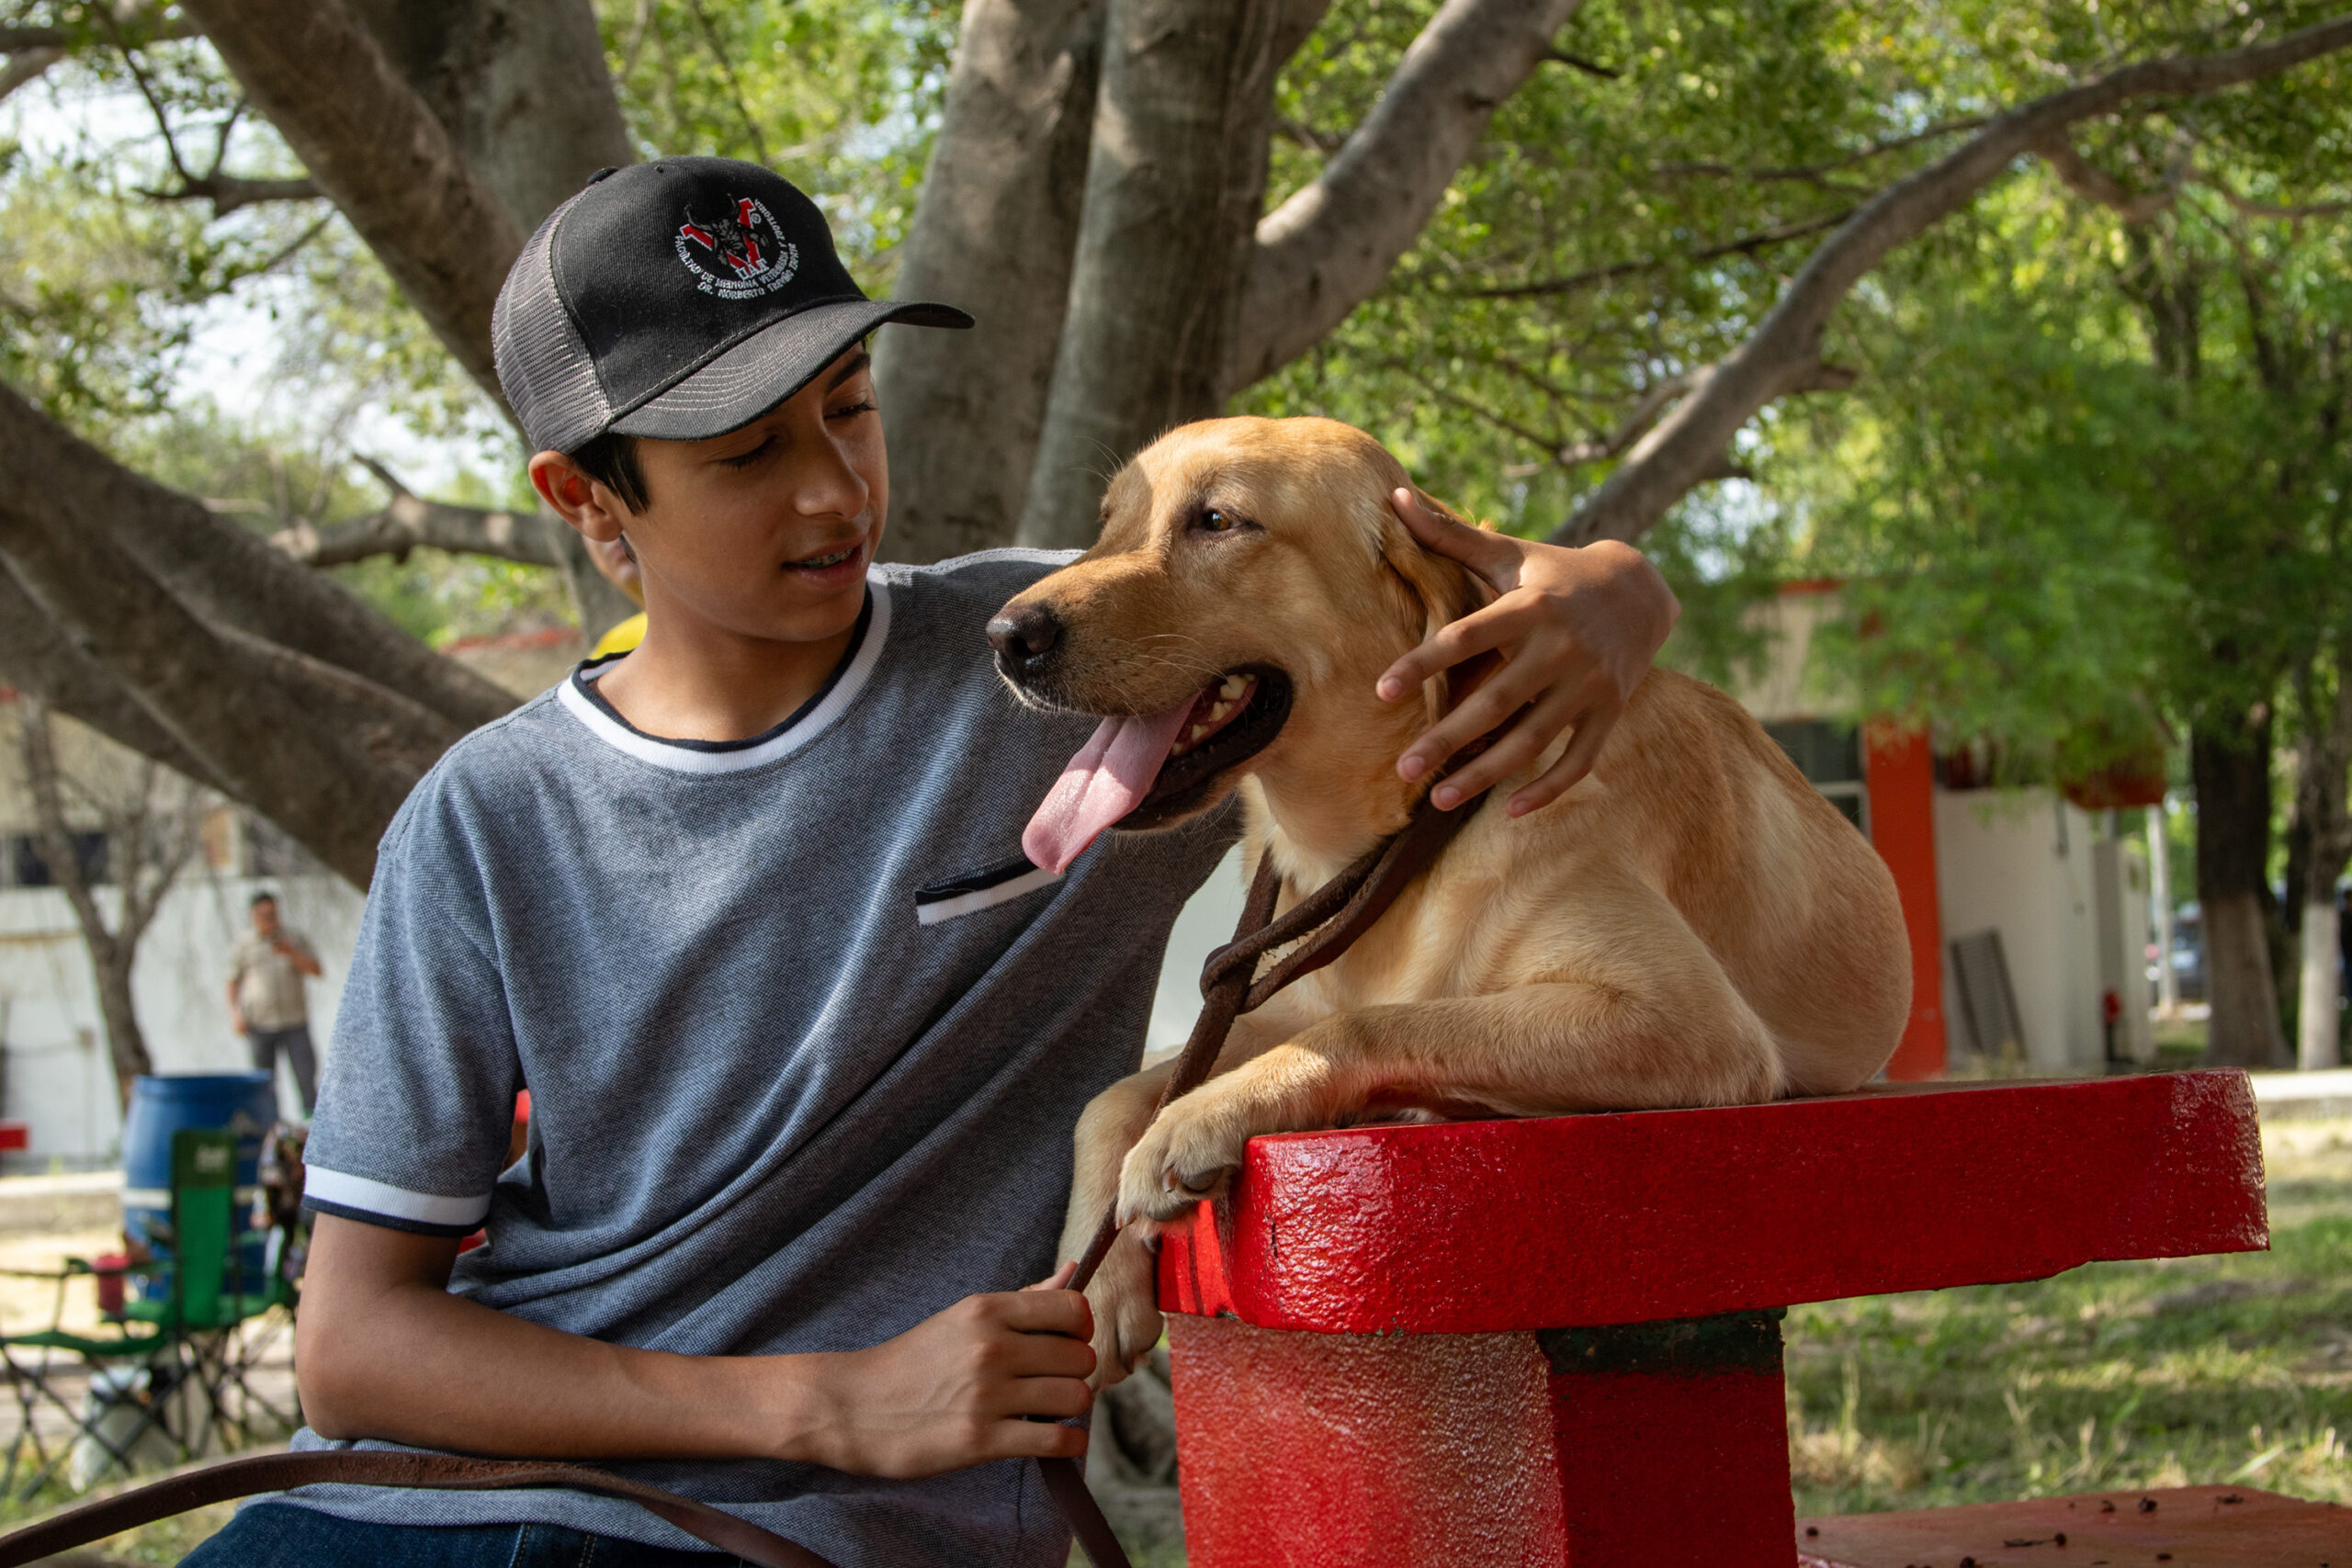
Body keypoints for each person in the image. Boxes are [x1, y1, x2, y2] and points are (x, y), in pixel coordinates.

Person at [185, 158, 1678, 1568]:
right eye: (749, 451)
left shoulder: (1064, 665)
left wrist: (1618, 594)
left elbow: (1357, 615)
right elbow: (356, 1342)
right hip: (396, 1517)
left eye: (848, 408)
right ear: (588, 500)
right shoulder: (482, 820)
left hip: (800, 1549)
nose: (832, 487)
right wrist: (827, 1401)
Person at [225, 891, 322, 1115]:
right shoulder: (244, 945)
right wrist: (235, 1014)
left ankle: (310, 1127)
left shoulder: (294, 939)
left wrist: (290, 953)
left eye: (273, 913)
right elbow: (231, 982)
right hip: (260, 1023)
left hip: (294, 1021)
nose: (269, 919)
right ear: (253, 916)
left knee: (306, 1076)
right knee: (264, 1082)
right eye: (263, 915)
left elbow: (316, 970)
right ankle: (271, 1128)